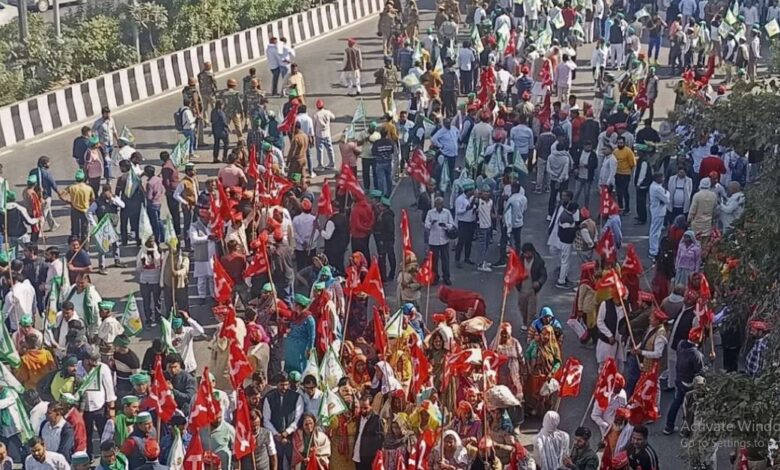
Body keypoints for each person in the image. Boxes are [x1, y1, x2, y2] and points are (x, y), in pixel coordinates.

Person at [663, 326, 704, 435]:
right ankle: (685, 430)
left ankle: (668, 426)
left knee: (676, 403)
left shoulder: (681, 344)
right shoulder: (695, 354)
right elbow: (701, 370)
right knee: (689, 407)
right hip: (690, 383)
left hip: (679, 379)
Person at [263, 372, 304, 469]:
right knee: (277, 463)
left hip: (292, 437)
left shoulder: (296, 397)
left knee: (293, 464)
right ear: (277, 384)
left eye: (286, 384)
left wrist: (287, 432)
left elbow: (298, 417)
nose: (284, 387)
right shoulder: (269, 397)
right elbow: (266, 419)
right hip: (275, 438)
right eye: (281, 385)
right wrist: (277, 434)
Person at [424, 197, 455, 286]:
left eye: (440, 204)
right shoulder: (430, 213)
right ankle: (435, 277)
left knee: (445, 260)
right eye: (437, 204)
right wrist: (432, 223)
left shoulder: (447, 212)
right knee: (434, 260)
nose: (439, 206)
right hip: (433, 241)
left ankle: (446, 277)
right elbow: (426, 225)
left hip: (444, 240)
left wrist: (445, 225)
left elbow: (452, 224)